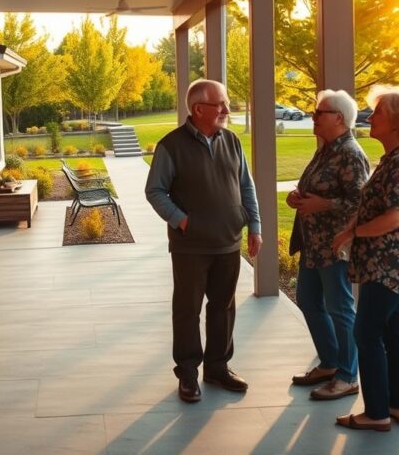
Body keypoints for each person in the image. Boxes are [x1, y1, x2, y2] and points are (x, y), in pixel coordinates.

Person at [145, 79, 263, 403]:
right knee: (187, 310)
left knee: (223, 307)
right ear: (199, 109)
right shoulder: (171, 146)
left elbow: (246, 186)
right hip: (190, 247)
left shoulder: (233, 141)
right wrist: (182, 221)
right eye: (220, 104)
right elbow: (154, 190)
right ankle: (187, 374)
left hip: (228, 242)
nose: (227, 109)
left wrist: (254, 225)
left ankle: (217, 368)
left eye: (225, 103)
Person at [332, 85, 399, 432]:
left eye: (380, 113)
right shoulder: (396, 158)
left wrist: (353, 233)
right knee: (392, 330)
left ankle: (376, 412)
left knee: (366, 332)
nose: (371, 117)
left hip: (389, 264)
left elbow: (394, 218)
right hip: (390, 262)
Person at [287, 90, 370, 400]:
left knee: (340, 309)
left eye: (318, 112)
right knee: (308, 301)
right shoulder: (327, 149)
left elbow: (361, 202)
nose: (313, 117)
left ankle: (348, 376)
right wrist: (297, 197)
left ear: (339, 118)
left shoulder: (350, 152)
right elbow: (313, 187)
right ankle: (330, 362)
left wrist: (324, 204)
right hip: (313, 245)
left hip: (335, 246)